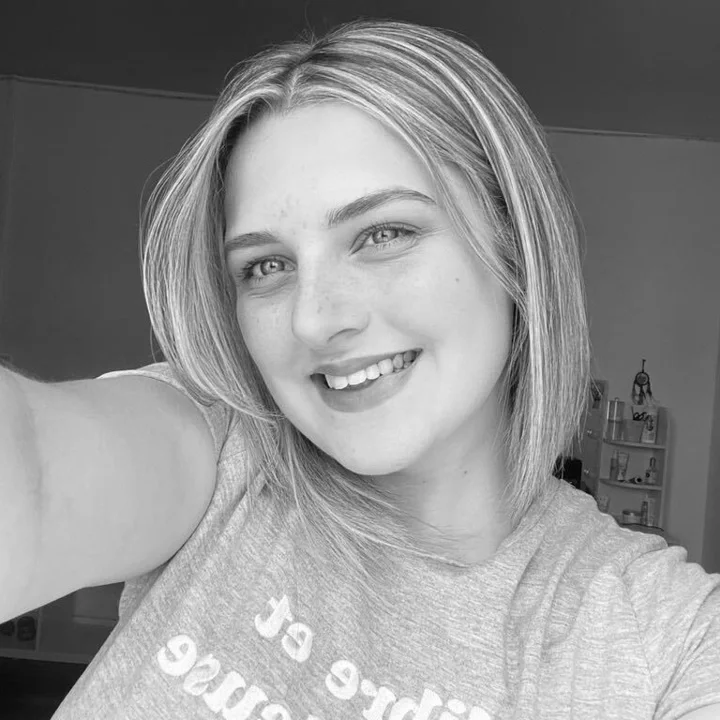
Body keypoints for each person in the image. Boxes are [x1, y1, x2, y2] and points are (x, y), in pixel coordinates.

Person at [1, 18, 718, 720]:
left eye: (383, 234)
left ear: (516, 247)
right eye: (267, 266)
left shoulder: (663, 637)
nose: (314, 319)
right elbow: (30, 473)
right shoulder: (219, 450)